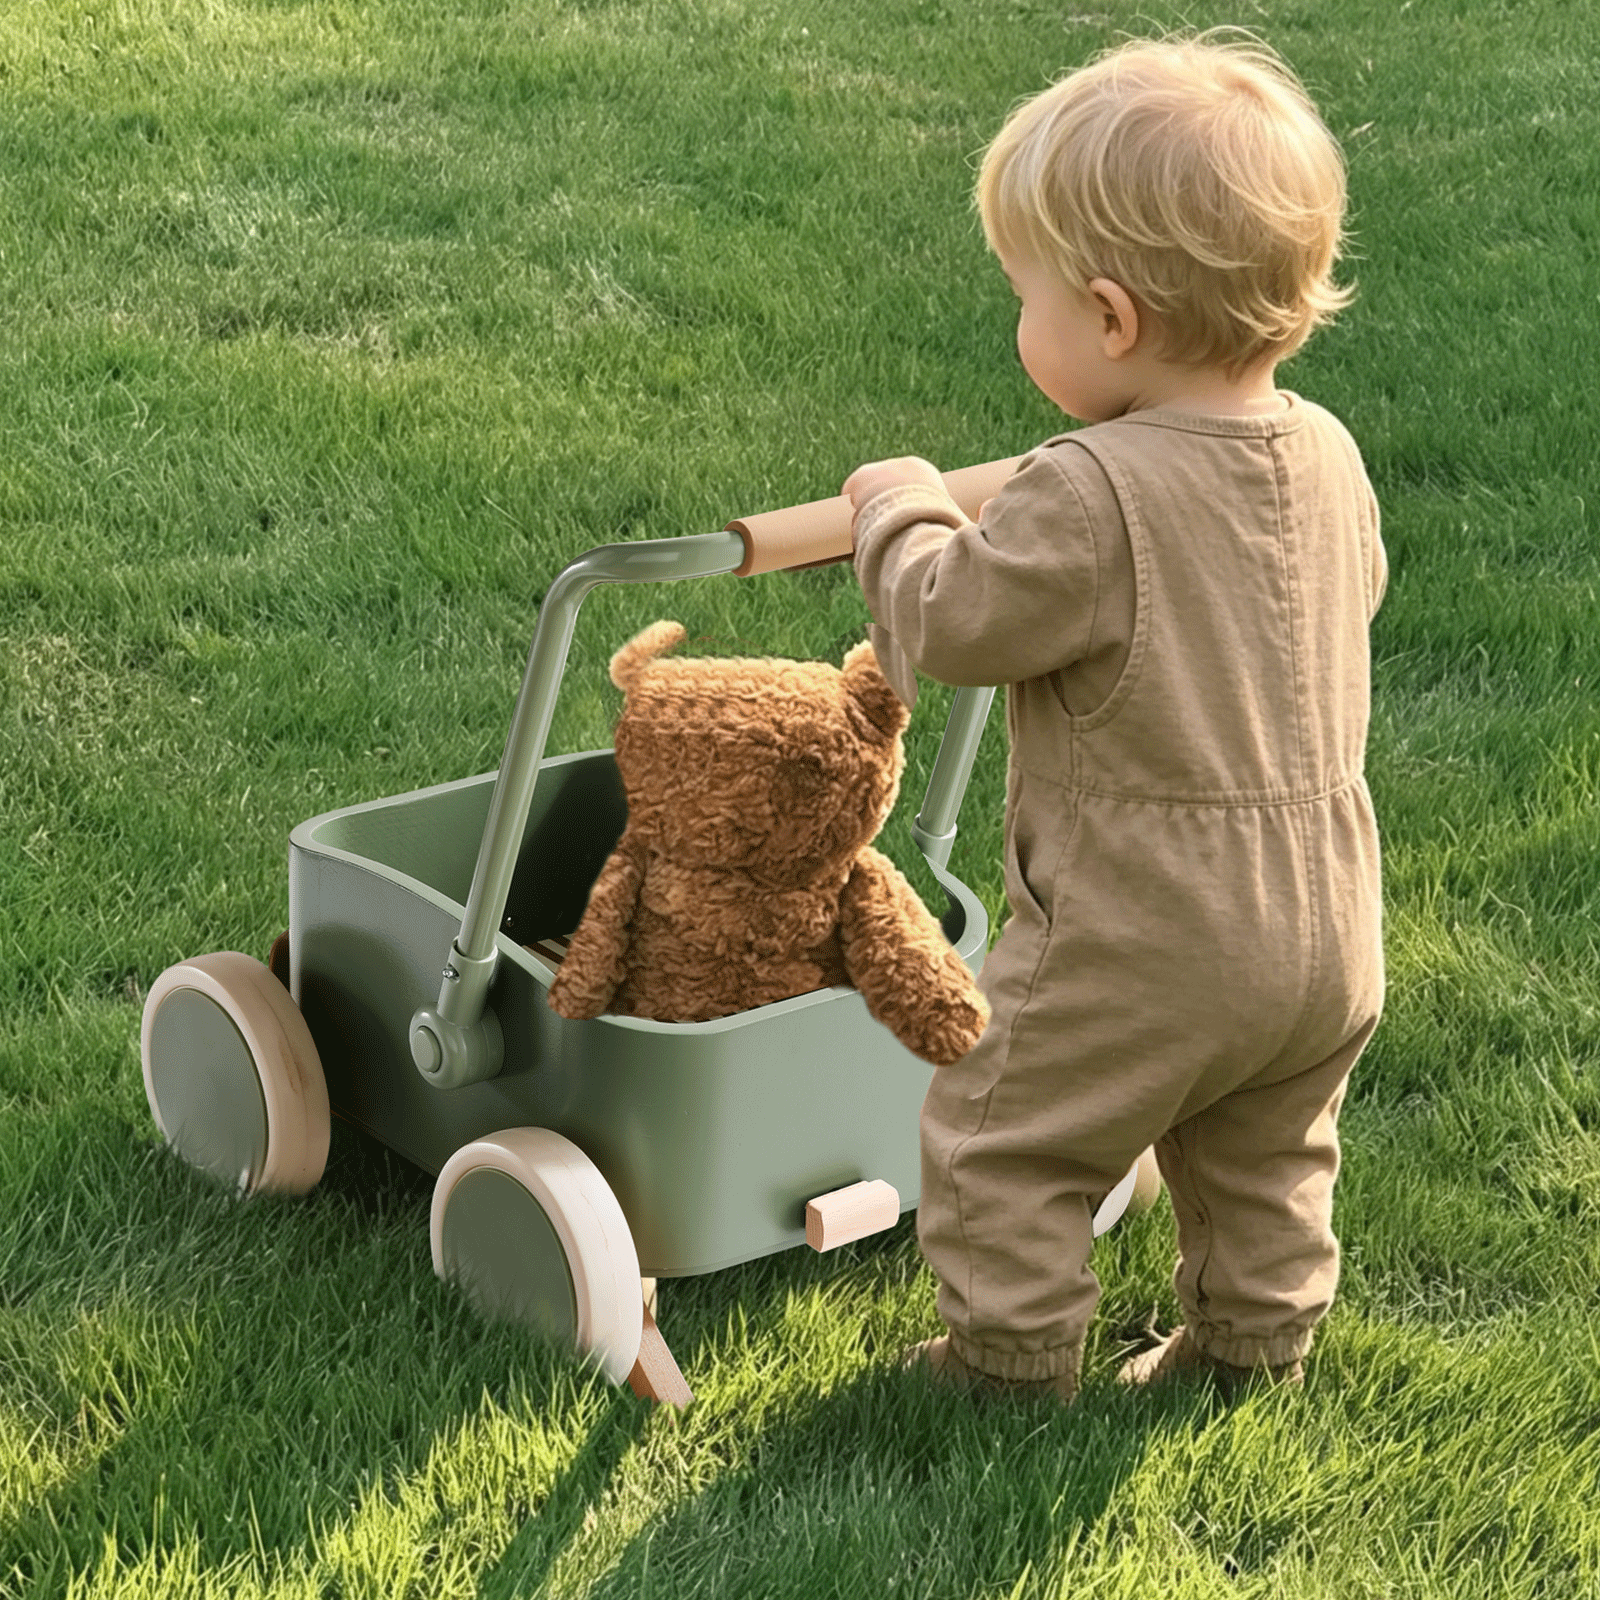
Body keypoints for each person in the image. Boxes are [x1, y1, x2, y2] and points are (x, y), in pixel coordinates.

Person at [843, 29, 1386, 1402]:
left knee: (998, 1131)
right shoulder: (1325, 453)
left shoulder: (1086, 491)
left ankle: (1008, 1365)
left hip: (1148, 923)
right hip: (1324, 917)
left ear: (1110, 318)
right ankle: (1254, 1345)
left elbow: (952, 622)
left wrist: (897, 508)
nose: (1019, 328)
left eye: (1024, 300)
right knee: (1265, 1144)